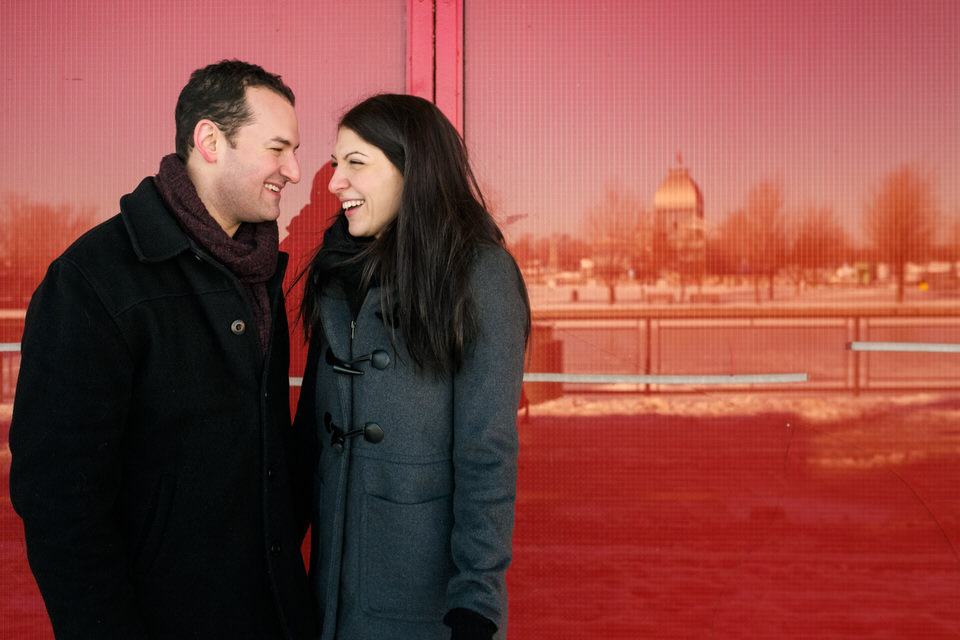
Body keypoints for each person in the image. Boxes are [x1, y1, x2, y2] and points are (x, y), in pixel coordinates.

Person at [9, 60, 317, 639]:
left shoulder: (258, 272)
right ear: (210, 141)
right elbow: (58, 501)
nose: (295, 171)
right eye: (278, 149)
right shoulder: (95, 280)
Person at [295, 94, 530, 640]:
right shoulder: (336, 273)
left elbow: (486, 451)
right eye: (336, 164)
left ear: (412, 168)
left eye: (356, 163)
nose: (335, 182)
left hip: (422, 602)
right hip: (326, 595)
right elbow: (310, 437)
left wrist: (477, 598)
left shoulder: (480, 275)